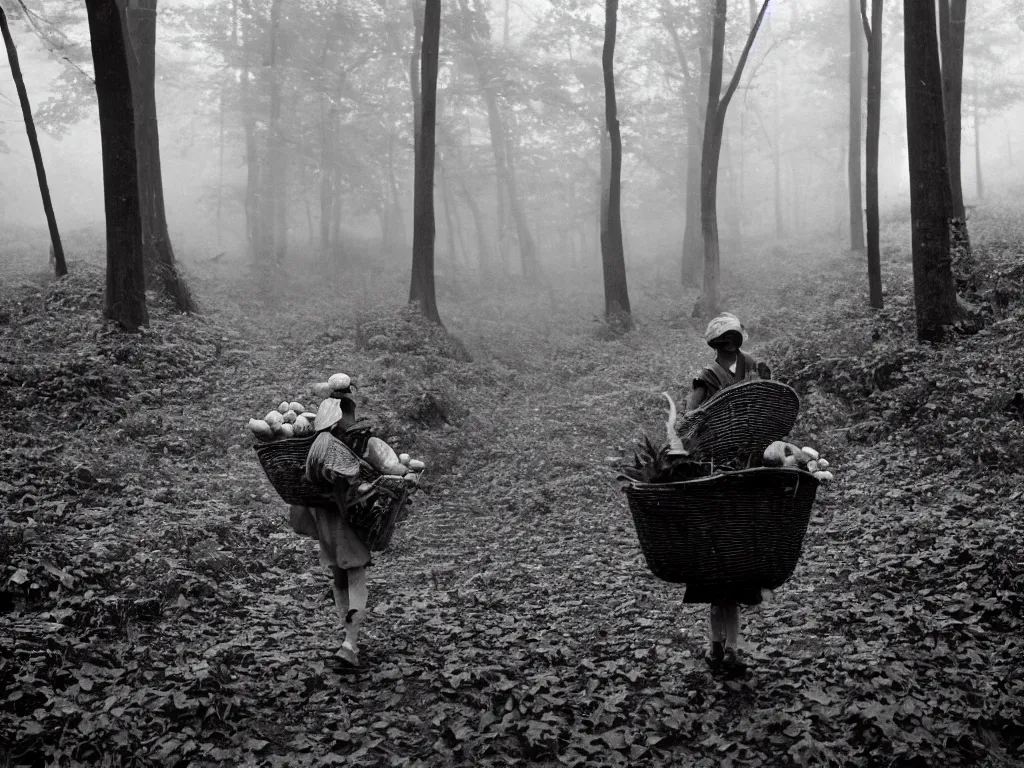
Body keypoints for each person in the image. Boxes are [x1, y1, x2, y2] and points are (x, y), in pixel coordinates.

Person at [683, 312, 771, 674]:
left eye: (733, 337)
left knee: (737, 568)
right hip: (714, 477)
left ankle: (733, 647)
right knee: (716, 570)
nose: (729, 344)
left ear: (739, 339)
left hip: (748, 474)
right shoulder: (705, 380)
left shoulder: (755, 369)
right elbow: (690, 423)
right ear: (715, 345)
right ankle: (715, 646)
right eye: (722, 340)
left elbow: (769, 409)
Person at [288, 387, 372, 668]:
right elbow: (352, 481)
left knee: (340, 576)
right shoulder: (337, 447)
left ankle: (348, 640)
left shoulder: (315, 444)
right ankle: (350, 643)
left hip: (322, 518)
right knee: (353, 575)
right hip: (341, 520)